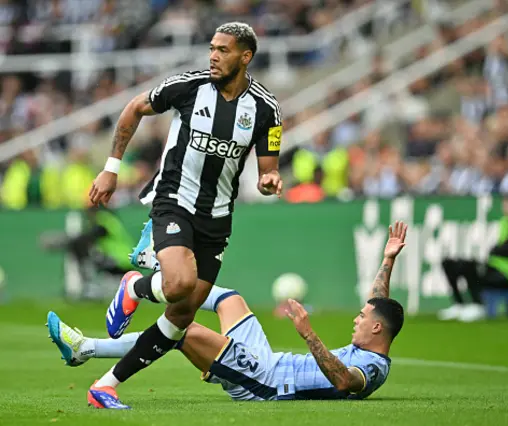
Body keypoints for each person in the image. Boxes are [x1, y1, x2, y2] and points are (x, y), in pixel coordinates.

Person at [86, 22, 284, 407]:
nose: (213, 55)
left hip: (219, 217)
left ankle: (106, 384)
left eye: (223, 50)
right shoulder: (189, 86)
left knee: (180, 317)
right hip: (174, 201)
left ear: (245, 57)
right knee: (177, 283)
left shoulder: (266, 108)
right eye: (212, 47)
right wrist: (111, 168)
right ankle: (133, 287)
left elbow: (267, 168)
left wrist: (270, 179)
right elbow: (134, 108)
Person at [46, 221, 408, 406]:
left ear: (377, 329)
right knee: (228, 298)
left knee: (182, 330)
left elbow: (345, 382)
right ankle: (149, 277)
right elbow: (379, 302)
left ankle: (87, 349)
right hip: (268, 359)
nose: (356, 319)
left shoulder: (372, 369)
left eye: (362, 318)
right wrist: (388, 259)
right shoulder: (375, 334)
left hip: (264, 382)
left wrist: (307, 333)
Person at [437, 188, 508, 322]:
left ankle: (478, 305)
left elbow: (506, 248)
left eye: (507, 202)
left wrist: (498, 250)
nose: (504, 205)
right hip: (499, 267)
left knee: (469, 267)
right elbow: (501, 249)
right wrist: (498, 250)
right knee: (449, 263)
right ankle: (459, 305)